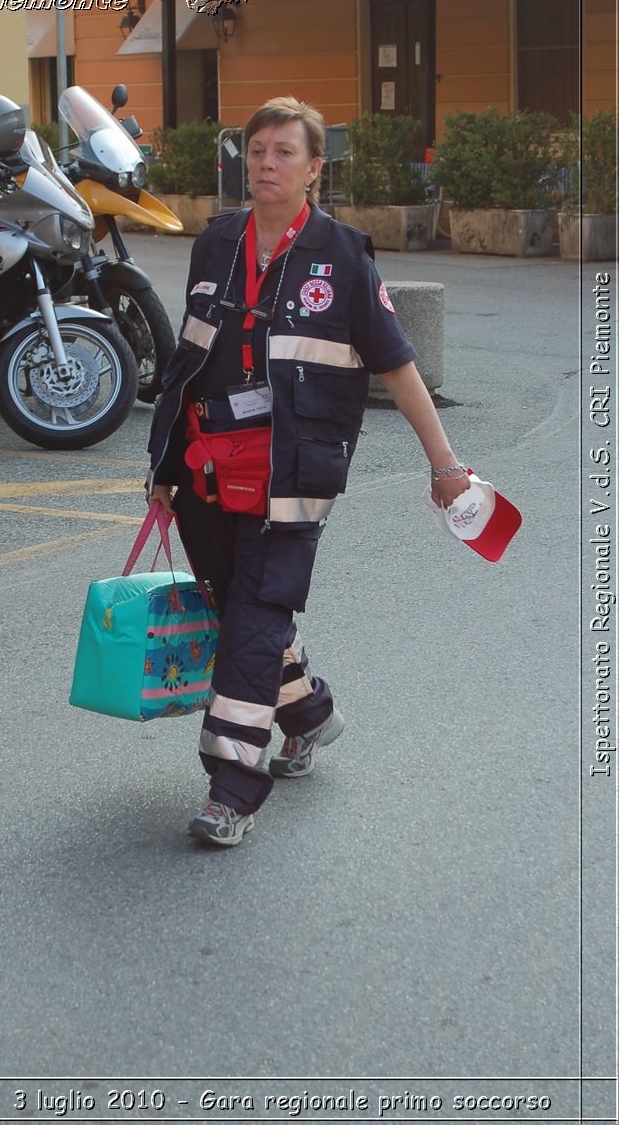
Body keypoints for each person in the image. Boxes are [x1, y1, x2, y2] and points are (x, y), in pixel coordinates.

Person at [147, 95, 471, 847]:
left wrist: (445, 463)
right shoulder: (216, 243)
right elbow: (184, 365)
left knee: (256, 618)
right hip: (204, 468)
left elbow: (396, 366)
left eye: (284, 152)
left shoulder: (343, 255)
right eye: (257, 151)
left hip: (292, 478)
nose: (266, 164)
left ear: (314, 169)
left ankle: (231, 788)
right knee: (236, 612)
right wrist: (163, 464)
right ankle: (310, 716)